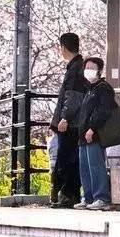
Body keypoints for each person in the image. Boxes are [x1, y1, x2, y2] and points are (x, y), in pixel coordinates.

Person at [49, 33, 86, 208]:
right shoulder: (79, 66)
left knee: (66, 158)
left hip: (70, 123)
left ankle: (66, 195)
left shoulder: (74, 69)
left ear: (63, 47)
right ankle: (70, 195)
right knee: (71, 158)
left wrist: (64, 118)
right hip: (75, 122)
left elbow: (72, 97)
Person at [74, 57, 115, 211]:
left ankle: (101, 198)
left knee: (96, 166)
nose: (88, 70)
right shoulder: (89, 89)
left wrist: (92, 128)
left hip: (94, 134)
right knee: (85, 167)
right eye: (87, 67)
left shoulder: (103, 88)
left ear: (99, 70)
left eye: (92, 67)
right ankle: (88, 197)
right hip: (84, 136)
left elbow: (103, 111)